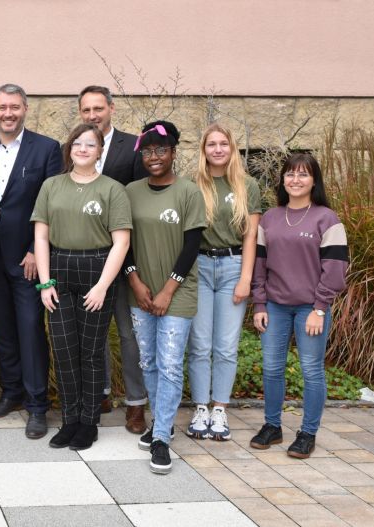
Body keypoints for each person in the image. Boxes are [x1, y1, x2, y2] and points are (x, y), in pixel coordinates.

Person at [0, 83, 62, 439]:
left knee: (30, 330)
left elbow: (51, 204)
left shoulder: (47, 149)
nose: (8, 113)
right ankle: (12, 392)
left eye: (15, 107)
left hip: (27, 260)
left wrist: (38, 250)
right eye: (3, 107)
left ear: (25, 109)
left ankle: (37, 406)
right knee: (3, 331)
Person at [32, 123, 131, 450]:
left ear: (100, 150)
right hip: (59, 268)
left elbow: (121, 242)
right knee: (63, 351)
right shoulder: (51, 186)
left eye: (91, 144)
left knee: (90, 352)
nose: (84, 148)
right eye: (78, 143)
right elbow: (42, 236)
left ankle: (89, 422)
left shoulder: (112, 189)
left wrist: (103, 285)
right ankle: (69, 419)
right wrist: (45, 282)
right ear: (70, 148)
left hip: (96, 270)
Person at [249, 153, 348, 459]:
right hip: (275, 306)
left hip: (310, 307)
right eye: (290, 174)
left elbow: (335, 266)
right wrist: (259, 303)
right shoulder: (271, 218)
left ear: (314, 181)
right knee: (272, 368)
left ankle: (307, 433)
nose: (295, 180)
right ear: (283, 180)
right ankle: (272, 426)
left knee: (311, 370)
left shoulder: (326, 219)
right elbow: (260, 265)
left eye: (303, 175)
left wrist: (320, 307)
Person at [125, 121, 206, 474]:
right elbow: (122, 240)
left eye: (161, 150)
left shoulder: (188, 192)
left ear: (174, 152)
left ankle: (160, 438)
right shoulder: (129, 192)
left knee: (171, 364)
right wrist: (136, 283)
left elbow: (192, 246)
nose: (154, 157)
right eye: (148, 151)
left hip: (178, 292)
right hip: (140, 291)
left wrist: (167, 289)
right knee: (149, 363)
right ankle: (164, 422)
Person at [78, 85, 149, 433]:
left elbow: (140, 205)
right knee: (94, 331)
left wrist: (133, 265)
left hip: (125, 255)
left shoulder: (132, 146)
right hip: (87, 258)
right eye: (86, 110)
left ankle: (136, 403)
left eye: (98, 108)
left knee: (127, 332)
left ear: (111, 108)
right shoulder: (78, 147)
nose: (93, 115)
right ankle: (100, 391)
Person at [185, 124, 261, 441]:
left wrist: (246, 278)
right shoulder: (191, 184)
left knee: (226, 346)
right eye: (211, 144)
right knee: (200, 345)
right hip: (199, 266)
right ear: (203, 150)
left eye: (223, 144)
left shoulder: (248, 185)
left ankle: (220, 409)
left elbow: (251, 235)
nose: (217, 149)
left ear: (232, 149)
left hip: (232, 267)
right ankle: (200, 407)